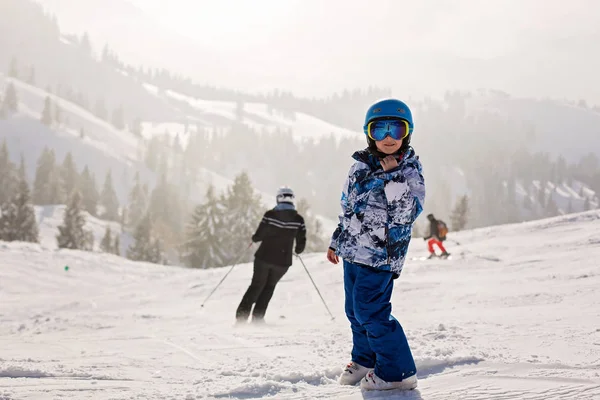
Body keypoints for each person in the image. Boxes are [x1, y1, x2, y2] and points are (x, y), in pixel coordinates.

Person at [327, 98, 425, 391]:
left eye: (396, 128)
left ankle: (397, 372)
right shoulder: (359, 165)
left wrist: (392, 174)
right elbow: (348, 206)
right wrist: (337, 240)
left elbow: (409, 212)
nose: (388, 138)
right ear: (369, 133)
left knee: (371, 311)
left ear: (407, 132)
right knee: (354, 311)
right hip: (353, 251)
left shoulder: (408, 169)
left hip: (382, 255)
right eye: (379, 129)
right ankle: (365, 359)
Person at [235, 186, 306, 324]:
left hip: (264, 257)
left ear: (279, 198)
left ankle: (241, 318)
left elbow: (259, 235)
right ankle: (258, 319)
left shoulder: (270, 215)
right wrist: (297, 250)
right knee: (269, 287)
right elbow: (301, 243)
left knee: (256, 285)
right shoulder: (298, 219)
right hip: (283, 261)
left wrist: (254, 238)